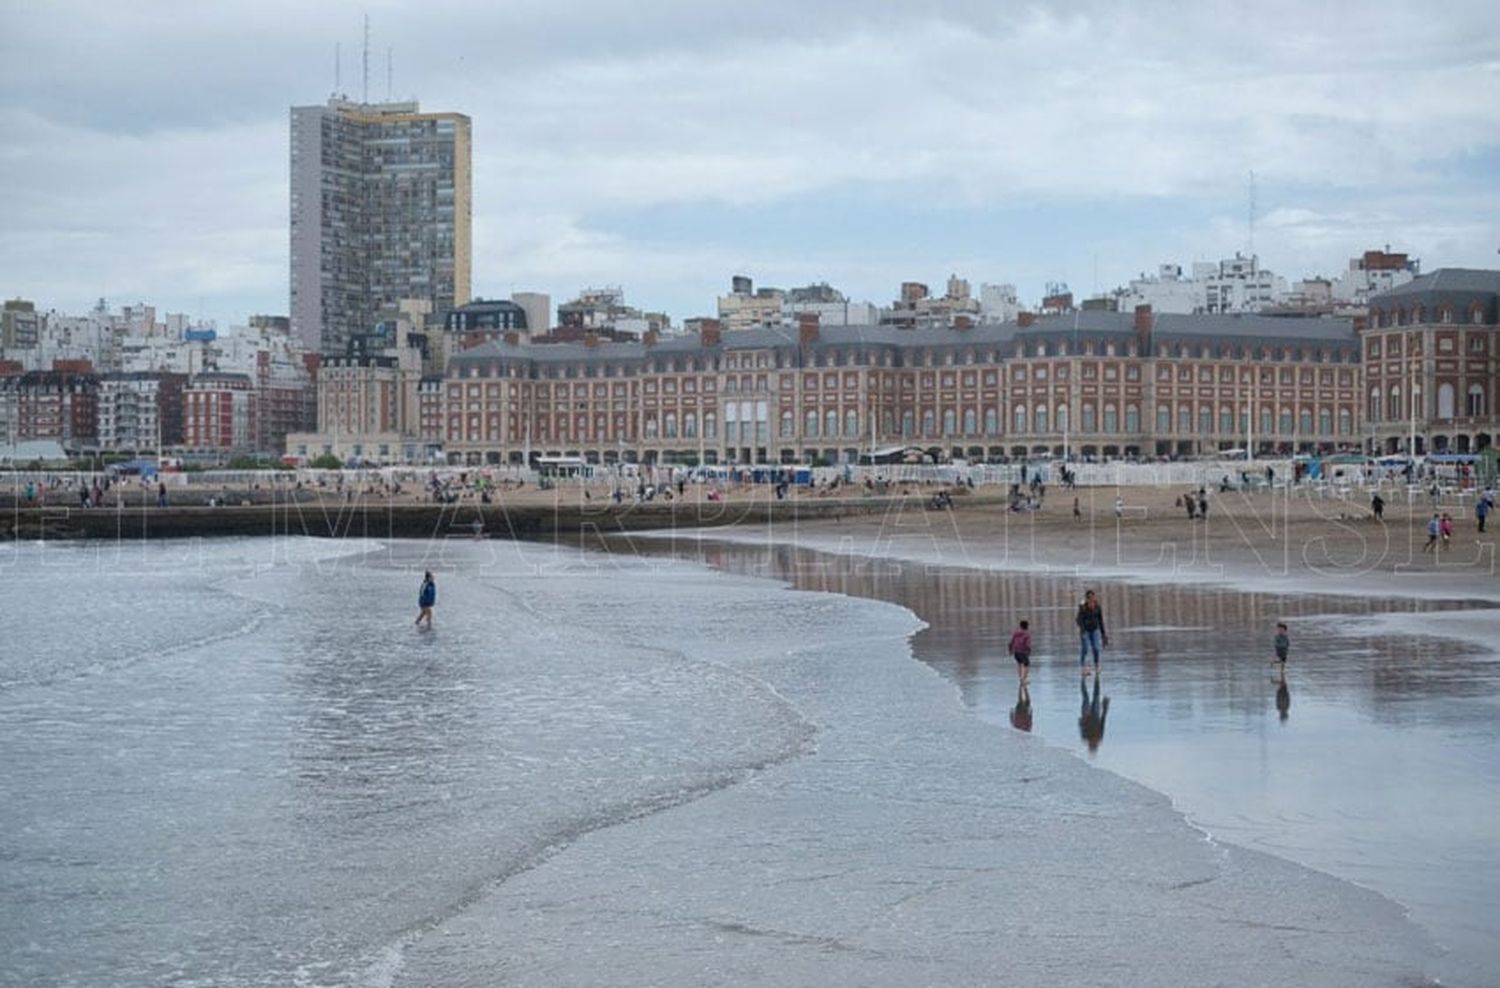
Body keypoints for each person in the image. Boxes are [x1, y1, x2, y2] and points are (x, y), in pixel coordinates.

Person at [1076, 589, 1108, 676]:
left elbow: (1101, 621)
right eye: (1089, 598)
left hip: (1095, 630)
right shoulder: (1083, 607)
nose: (1091, 600)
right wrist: (1082, 630)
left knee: (1096, 648)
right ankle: (1084, 668)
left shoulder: (1098, 607)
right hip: (1085, 630)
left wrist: (1103, 634)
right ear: (1086, 599)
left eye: (1092, 598)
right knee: (1085, 648)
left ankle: (1097, 665)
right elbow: (1078, 620)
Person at [1078, 675, 1109, 753]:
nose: (1094, 743)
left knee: (1086, 696)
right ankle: (1096, 678)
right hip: (1095, 714)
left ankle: (1083, 679)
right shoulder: (1098, 737)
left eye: (1092, 745)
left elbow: (1081, 726)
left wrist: (1083, 719)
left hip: (1087, 714)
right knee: (1096, 695)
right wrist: (1105, 707)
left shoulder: (1085, 737)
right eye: (1094, 745)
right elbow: (1102, 723)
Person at [1008, 619, 1033, 686]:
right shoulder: (1027, 634)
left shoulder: (1015, 633)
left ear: (1020, 626)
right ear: (1027, 626)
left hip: (1016, 652)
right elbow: (1028, 644)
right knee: (1026, 665)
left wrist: (1010, 650)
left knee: (1019, 664)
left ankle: (1021, 679)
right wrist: (1029, 651)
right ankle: (1024, 680)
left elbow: (1010, 642)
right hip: (1023, 652)